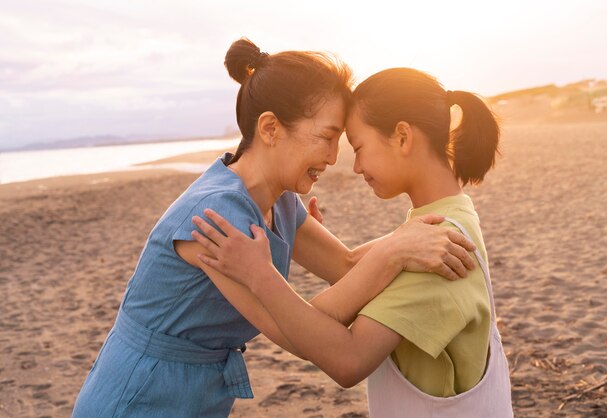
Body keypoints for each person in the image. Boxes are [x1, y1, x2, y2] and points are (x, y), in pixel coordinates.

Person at [71, 40, 477, 417]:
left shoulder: (280, 199)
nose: (335, 158)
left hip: (201, 391)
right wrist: (395, 250)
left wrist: (407, 239)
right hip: (139, 394)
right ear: (270, 129)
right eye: (327, 137)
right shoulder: (214, 216)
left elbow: (347, 263)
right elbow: (291, 330)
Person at [192, 67, 514, 417]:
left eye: (358, 148)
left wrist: (260, 274)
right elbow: (363, 276)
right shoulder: (444, 219)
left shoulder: (438, 250)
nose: (355, 166)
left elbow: (347, 359)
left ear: (403, 137)